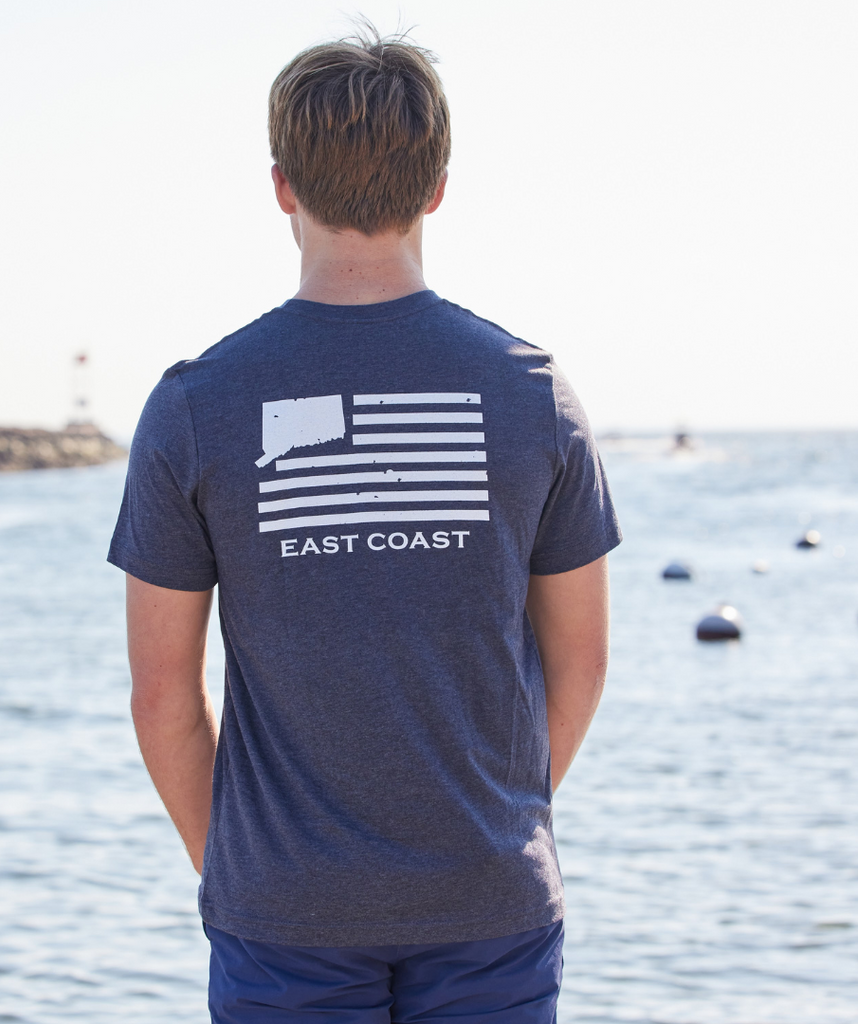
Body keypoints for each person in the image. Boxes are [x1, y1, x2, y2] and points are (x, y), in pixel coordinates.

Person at [108, 28, 621, 1024]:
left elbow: (161, 693)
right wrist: (493, 827)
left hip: (285, 920)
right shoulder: (532, 394)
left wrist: (249, 869)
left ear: (281, 186)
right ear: (438, 188)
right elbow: (583, 663)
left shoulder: (195, 405)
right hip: (490, 905)